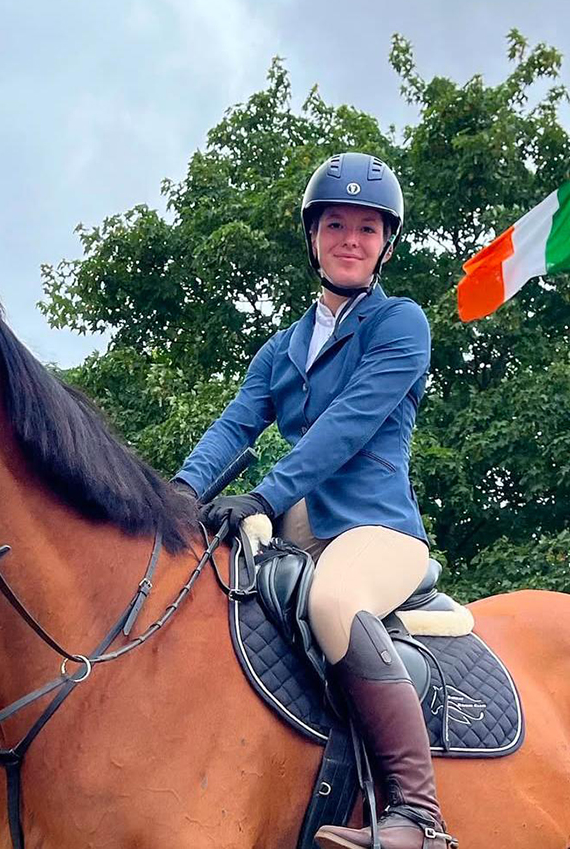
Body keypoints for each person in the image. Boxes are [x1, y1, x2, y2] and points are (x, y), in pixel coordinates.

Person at [174, 153, 455, 849]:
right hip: (298, 529)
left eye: (366, 228)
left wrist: (263, 494)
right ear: (314, 236)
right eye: (336, 225)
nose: (350, 240)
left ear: (385, 243)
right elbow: (236, 424)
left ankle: (418, 816)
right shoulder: (282, 348)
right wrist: (177, 495)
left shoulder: (401, 325)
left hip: (376, 529)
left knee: (334, 601)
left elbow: (347, 428)